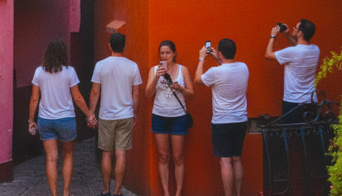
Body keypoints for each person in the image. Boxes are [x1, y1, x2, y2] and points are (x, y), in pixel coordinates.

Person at [29, 39, 94, 196]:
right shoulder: (69, 72)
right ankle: (66, 193)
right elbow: (77, 97)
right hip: (66, 120)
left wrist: (31, 120)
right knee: (68, 156)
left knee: (51, 159)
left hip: (45, 120)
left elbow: (34, 99)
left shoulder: (39, 72)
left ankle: (54, 195)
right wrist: (89, 115)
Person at [89, 32, 142, 196]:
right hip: (125, 114)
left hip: (106, 115)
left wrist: (91, 113)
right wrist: (135, 113)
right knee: (121, 154)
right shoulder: (133, 66)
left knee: (106, 153)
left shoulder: (100, 65)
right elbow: (136, 94)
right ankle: (118, 191)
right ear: (124, 46)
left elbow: (95, 91)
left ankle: (106, 191)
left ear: (109, 46)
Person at [195, 39, 249, 196]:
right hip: (240, 121)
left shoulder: (215, 72)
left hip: (222, 122)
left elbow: (198, 80)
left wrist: (201, 58)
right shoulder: (244, 68)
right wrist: (218, 58)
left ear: (220, 52)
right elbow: (228, 67)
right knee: (237, 159)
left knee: (225, 161)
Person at [145, 40, 194, 196]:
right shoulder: (154, 70)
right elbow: (148, 94)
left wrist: (181, 88)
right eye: (162, 53)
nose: (164, 56)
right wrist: (155, 78)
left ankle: (178, 193)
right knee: (163, 156)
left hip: (178, 116)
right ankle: (166, 193)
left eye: (167, 52)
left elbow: (192, 95)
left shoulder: (183, 70)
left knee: (178, 157)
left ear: (174, 53)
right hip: (159, 115)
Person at [265, 19, 320, 123]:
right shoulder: (315, 49)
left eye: (296, 28)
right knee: (308, 134)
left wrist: (273, 35)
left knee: (292, 135)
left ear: (300, 33)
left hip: (293, 102)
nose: (293, 29)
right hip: (310, 101)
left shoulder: (291, 52)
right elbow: (300, 47)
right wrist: (287, 34)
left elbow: (268, 54)